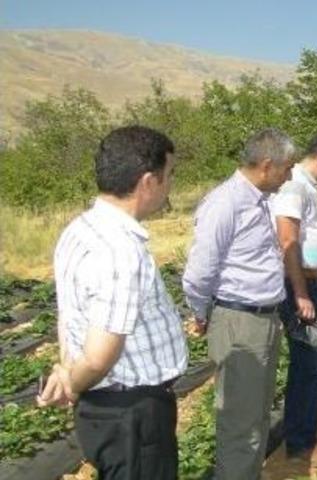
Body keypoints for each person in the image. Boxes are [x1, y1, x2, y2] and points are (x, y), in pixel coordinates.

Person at [38, 126, 188, 480]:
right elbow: (99, 356)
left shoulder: (80, 229)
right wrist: (73, 384)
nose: (170, 186)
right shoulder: (120, 250)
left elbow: (70, 314)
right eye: (169, 176)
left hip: (111, 409)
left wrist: (65, 369)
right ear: (148, 181)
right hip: (131, 414)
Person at [182, 128, 297, 479]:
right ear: (266, 165)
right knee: (239, 424)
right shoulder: (225, 203)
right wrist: (201, 314)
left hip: (262, 319)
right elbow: (199, 272)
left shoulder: (258, 200)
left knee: (258, 415)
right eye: (287, 168)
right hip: (238, 321)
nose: (290, 175)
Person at [271, 133, 317, 457]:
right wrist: (301, 293)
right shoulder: (294, 186)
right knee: (307, 361)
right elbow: (287, 240)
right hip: (298, 287)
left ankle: (304, 433)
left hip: (311, 284)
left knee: (312, 357)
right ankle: (300, 441)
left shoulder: (309, 187)